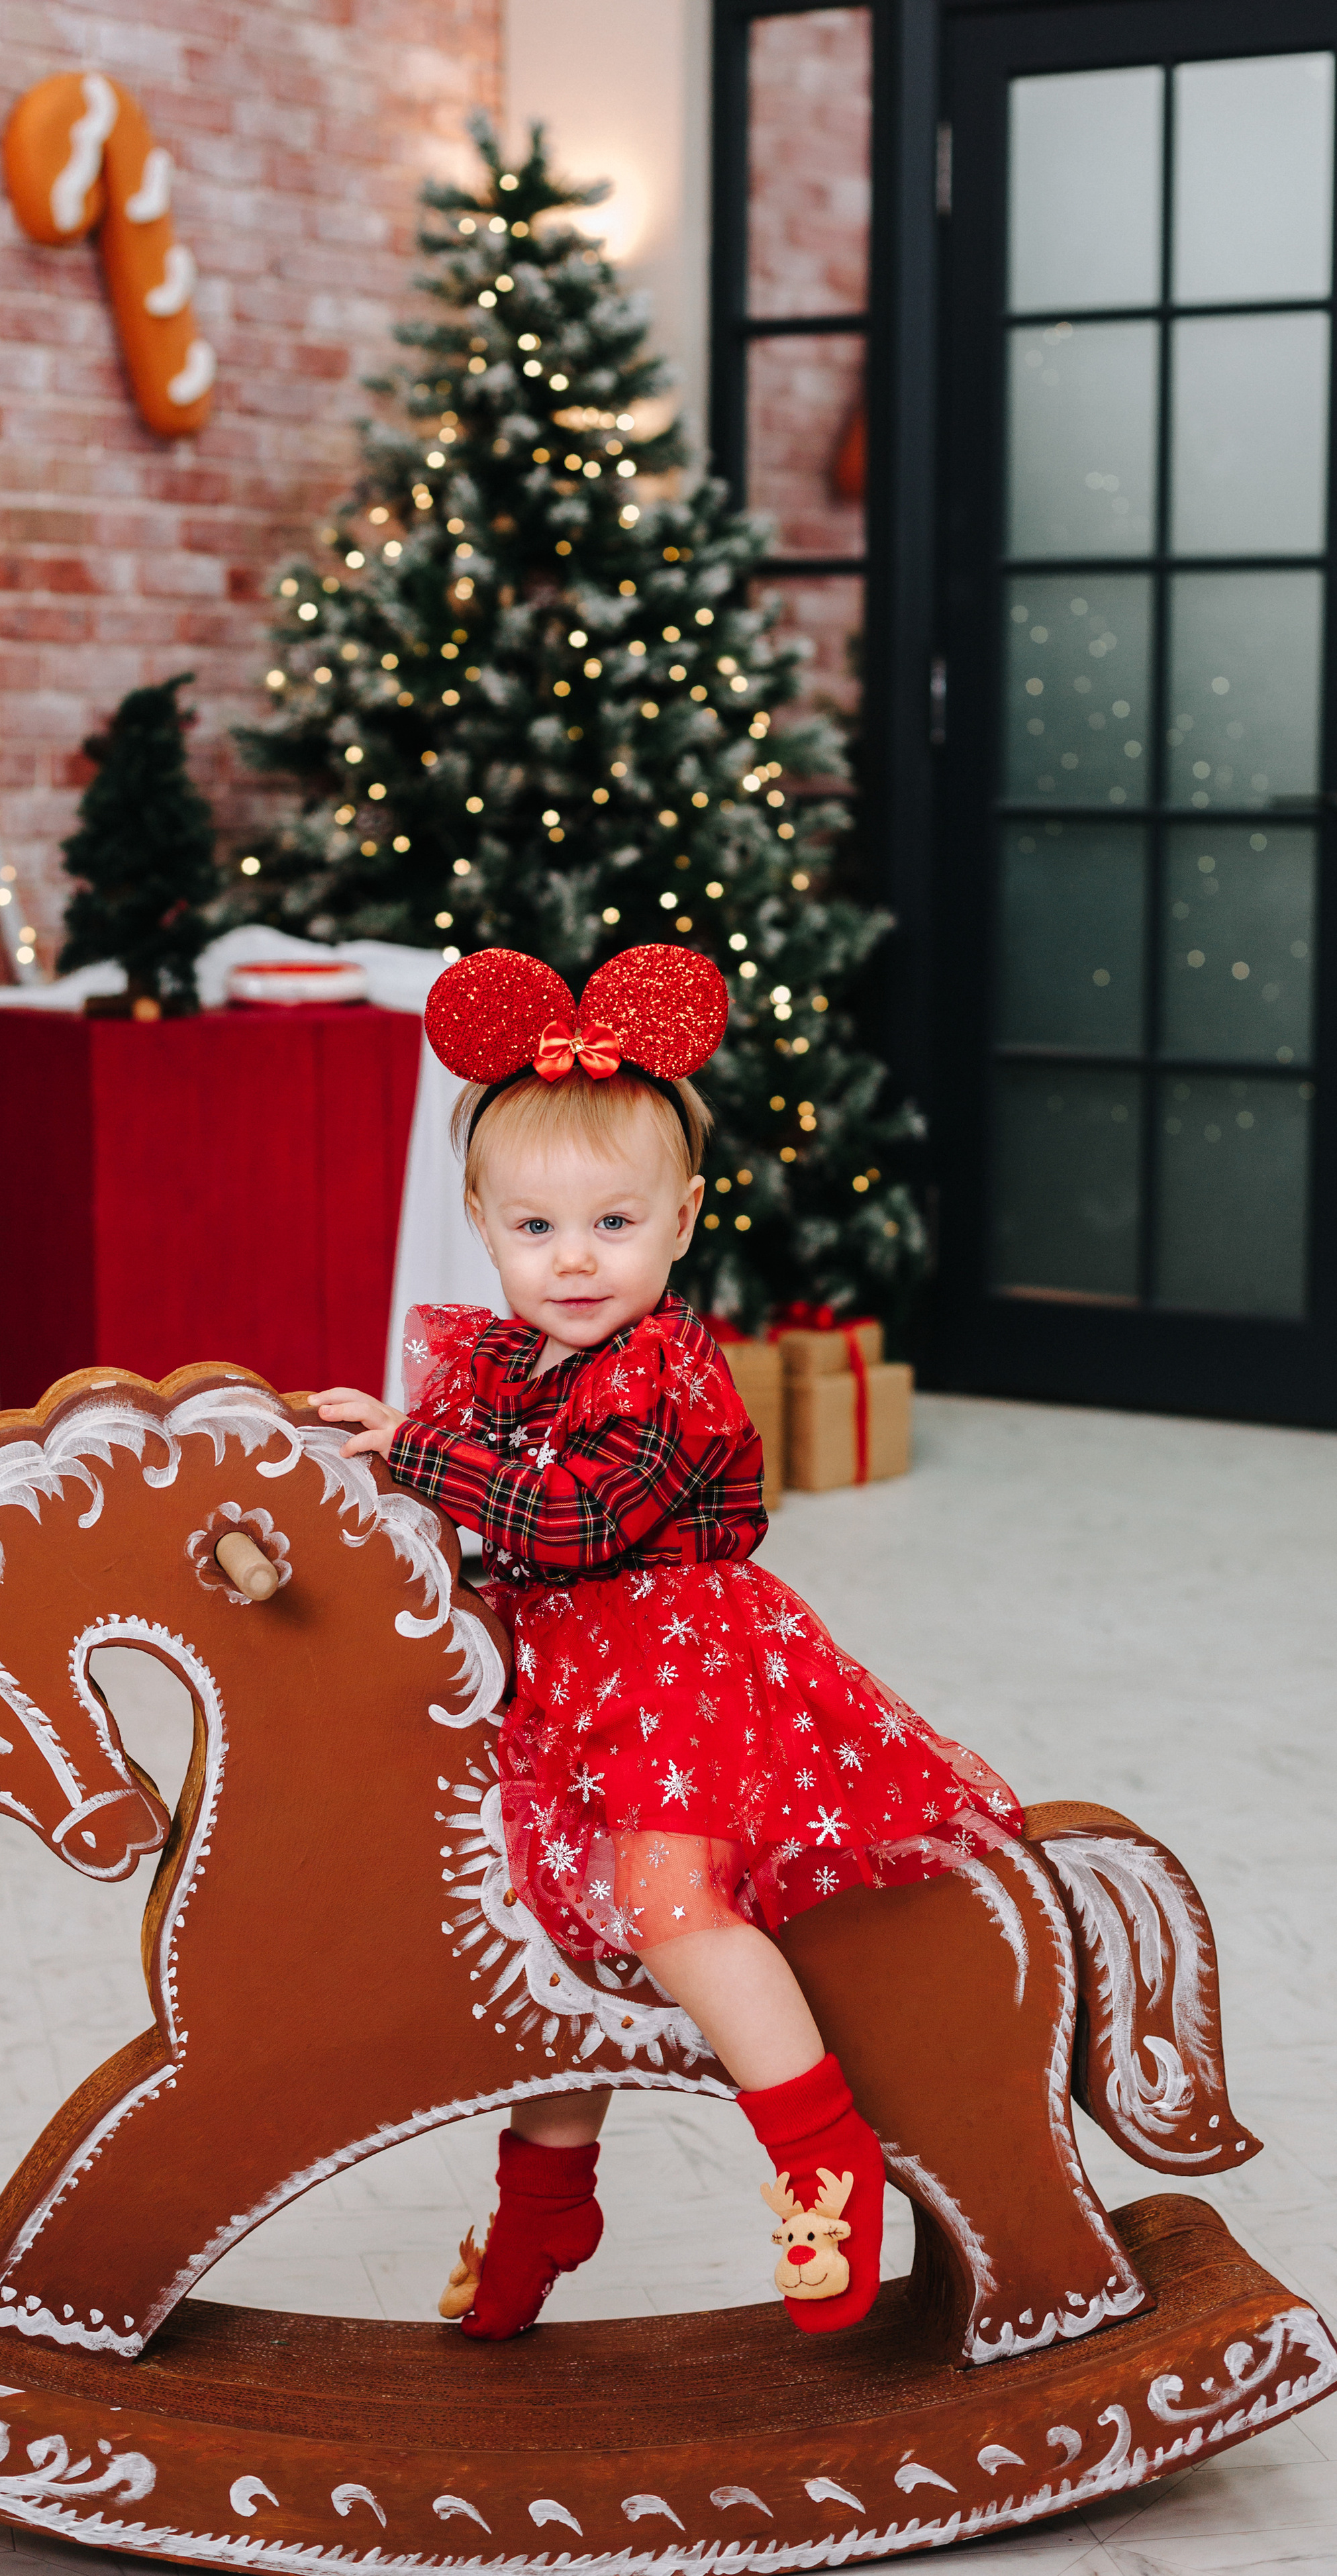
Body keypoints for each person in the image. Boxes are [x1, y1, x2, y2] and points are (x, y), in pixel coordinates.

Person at [313, 945, 1022, 2341]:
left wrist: (422, 1451)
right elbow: (484, 1527)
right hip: (570, 1695)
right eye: (533, 1228)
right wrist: (371, 1475)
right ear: (480, 1220)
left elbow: (578, 1522)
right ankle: (545, 2193)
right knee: (548, 1936)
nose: (572, 1259)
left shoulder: (663, 1373)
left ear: (683, 1219)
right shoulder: (501, 1368)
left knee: (666, 1902)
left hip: (677, 1681)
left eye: (612, 1221)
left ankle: (821, 2151)